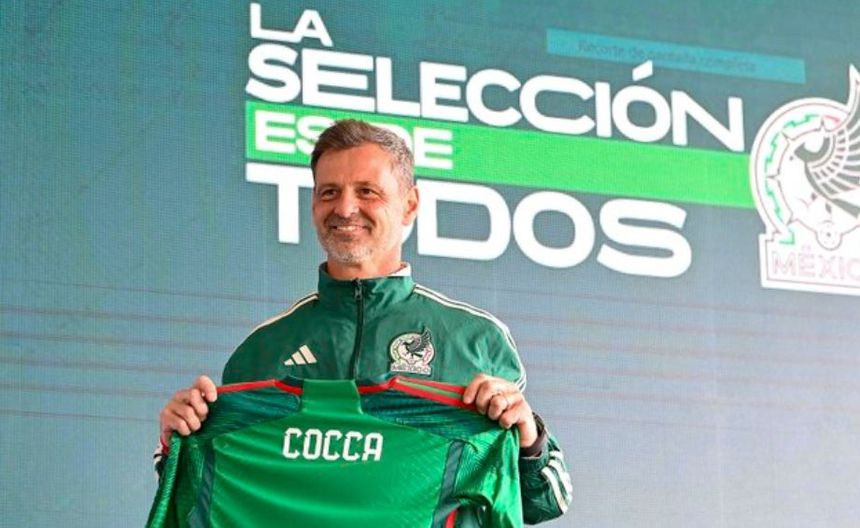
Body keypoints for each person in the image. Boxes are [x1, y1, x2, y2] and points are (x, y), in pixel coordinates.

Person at [157, 119, 571, 524]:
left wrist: (527, 439)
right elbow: (219, 493)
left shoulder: (476, 339)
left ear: (410, 204)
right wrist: (177, 442)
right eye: (329, 192)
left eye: (366, 191)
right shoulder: (262, 350)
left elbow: (546, 501)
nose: (344, 208)